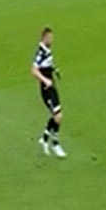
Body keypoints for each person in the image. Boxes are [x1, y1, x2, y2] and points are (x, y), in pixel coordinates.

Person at [31, 26, 67, 157]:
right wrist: (45, 80)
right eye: (50, 37)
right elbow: (33, 70)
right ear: (44, 38)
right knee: (58, 116)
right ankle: (55, 144)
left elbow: (47, 64)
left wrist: (54, 70)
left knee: (56, 115)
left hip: (52, 86)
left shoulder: (47, 50)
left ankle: (45, 138)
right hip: (46, 89)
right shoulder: (40, 52)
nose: (52, 39)